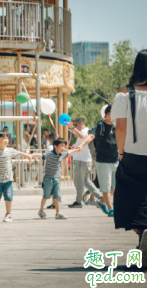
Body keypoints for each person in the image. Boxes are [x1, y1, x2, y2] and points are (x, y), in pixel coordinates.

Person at [111, 49, 147, 267]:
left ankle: (141, 232)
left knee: (129, 197)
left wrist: (121, 152)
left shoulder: (124, 94)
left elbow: (121, 126)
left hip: (133, 154)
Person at [78, 105, 117, 216]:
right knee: (106, 187)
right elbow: (91, 136)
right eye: (111, 113)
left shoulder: (116, 125)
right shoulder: (101, 126)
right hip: (103, 161)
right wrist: (81, 144)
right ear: (106, 114)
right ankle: (110, 209)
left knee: (114, 187)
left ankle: (102, 202)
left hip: (115, 160)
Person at [32, 138, 80, 219]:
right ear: (55, 146)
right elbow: (41, 155)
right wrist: (32, 155)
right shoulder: (50, 154)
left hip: (56, 179)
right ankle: (41, 210)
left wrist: (77, 150)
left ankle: (58, 213)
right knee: (46, 196)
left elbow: (69, 152)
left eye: (64, 146)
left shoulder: (62, 154)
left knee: (57, 196)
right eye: (61, 146)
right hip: (48, 179)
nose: (63, 148)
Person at [67, 118, 103, 208]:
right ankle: (101, 197)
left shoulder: (85, 131)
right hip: (84, 160)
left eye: (75, 125)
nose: (74, 127)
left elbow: (82, 136)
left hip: (82, 161)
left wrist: (72, 128)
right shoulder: (84, 131)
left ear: (81, 123)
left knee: (79, 182)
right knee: (87, 182)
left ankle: (78, 202)